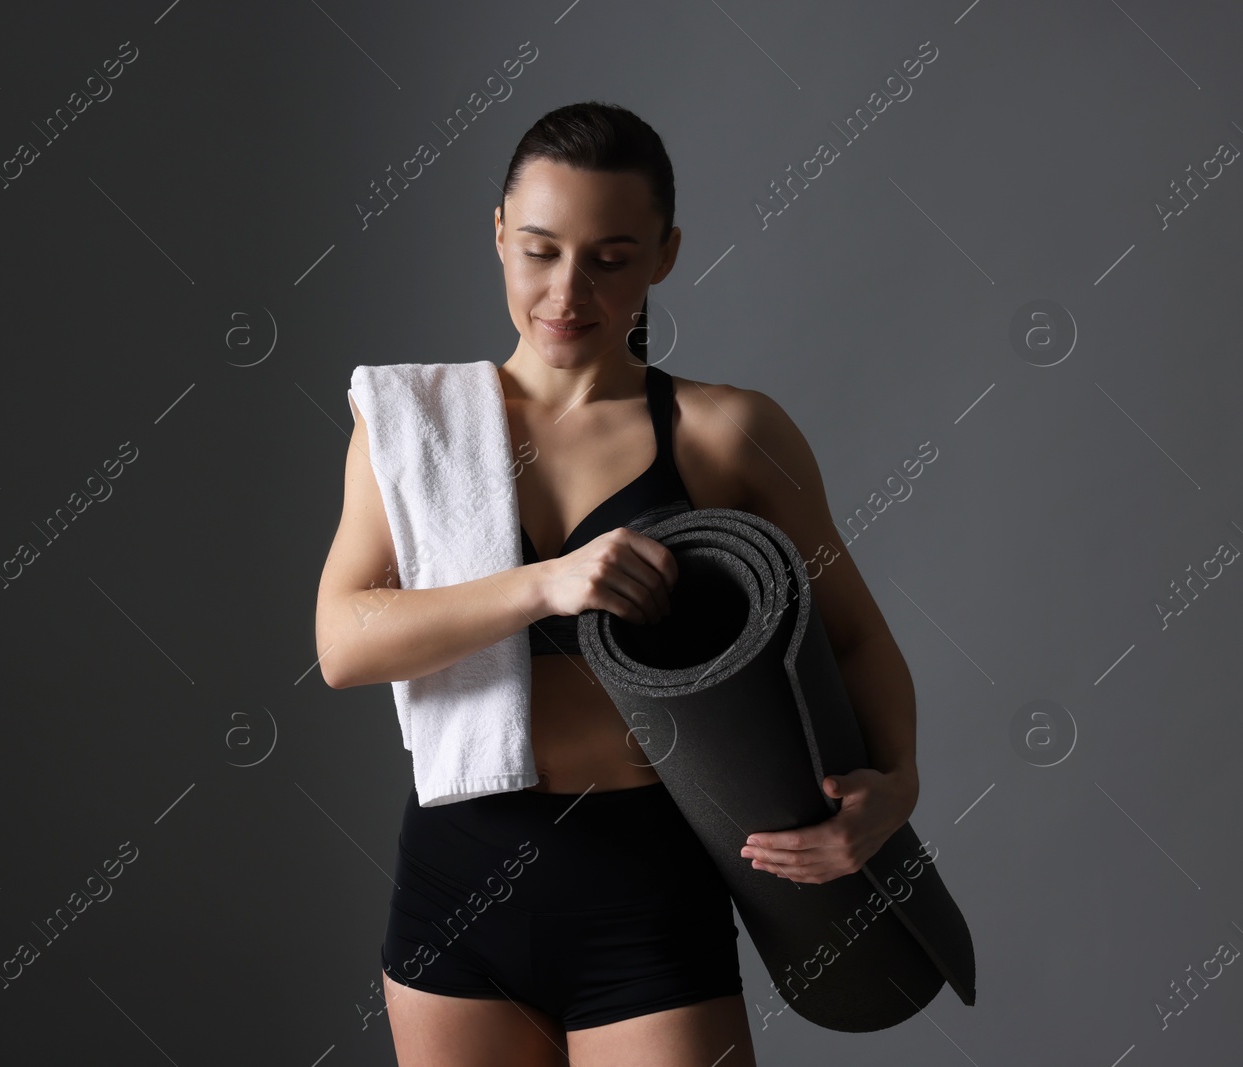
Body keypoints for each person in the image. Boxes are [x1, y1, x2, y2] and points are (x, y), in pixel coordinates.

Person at [316, 101, 920, 1067]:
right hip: (455, 880)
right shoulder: (410, 424)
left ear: (665, 255)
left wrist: (896, 787)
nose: (567, 291)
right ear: (500, 234)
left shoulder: (728, 432)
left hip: (646, 883)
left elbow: (849, 636)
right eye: (542, 250)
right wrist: (548, 584)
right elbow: (344, 642)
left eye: (610, 257)